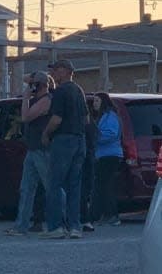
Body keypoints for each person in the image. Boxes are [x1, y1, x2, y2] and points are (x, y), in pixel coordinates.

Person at [41, 59, 88, 239]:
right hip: (79, 139)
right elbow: (86, 119)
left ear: (66, 71)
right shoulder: (79, 90)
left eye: (56, 70)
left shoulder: (60, 91)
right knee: (74, 185)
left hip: (63, 140)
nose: (53, 73)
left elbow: (56, 119)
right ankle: (75, 226)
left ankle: (56, 227)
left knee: (54, 183)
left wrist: (46, 134)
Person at [4, 72, 53, 236]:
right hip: (32, 149)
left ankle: (67, 220)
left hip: (42, 149)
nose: (30, 87)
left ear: (41, 85)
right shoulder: (35, 100)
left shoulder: (46, 100)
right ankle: (21, 225)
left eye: (33, 84)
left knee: (51, 186)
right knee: (26, 188)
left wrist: (25, 98)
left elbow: (26, 117)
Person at [91, 92, 123, 226]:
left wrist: (95, 137)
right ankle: (104, 214)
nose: (94, 104)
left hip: (110, 155)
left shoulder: (110, 116)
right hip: (102, 155)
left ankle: (112, 215)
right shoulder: (102, 117)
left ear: (104, 102)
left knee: (105, 185)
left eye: (97, 101)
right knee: (101, 185)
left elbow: (111, 134)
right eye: (94, 101)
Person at [81, 115, 98, 232]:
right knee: (85, 190)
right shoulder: (90, 121)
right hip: (89, 156)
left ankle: (84, 219)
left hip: (83, 157)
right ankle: (86, 220)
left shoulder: (77, 120)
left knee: (80, 190)